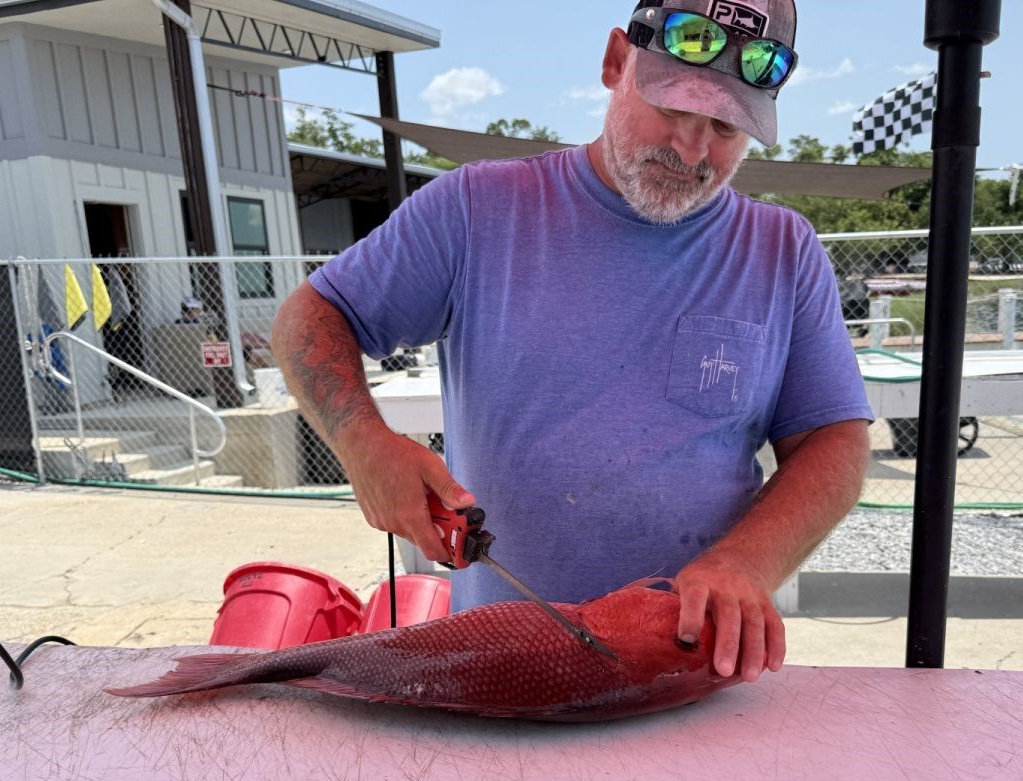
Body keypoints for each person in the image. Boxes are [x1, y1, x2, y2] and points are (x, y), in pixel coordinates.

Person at [272, 0, 872, 684]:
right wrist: (363, 441)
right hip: (498, 668)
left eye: (726, 127)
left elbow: (835, 441)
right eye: (673, 109)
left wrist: (745, 563)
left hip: (690, 671)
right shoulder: (477, 210)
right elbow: (312, 315)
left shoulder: (783, 250)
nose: (692, 148)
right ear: (617, 62)